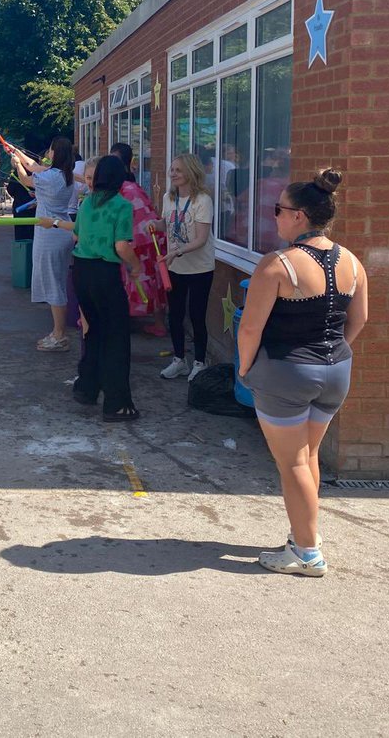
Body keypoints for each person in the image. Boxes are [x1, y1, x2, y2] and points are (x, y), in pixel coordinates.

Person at [238, 169, 367, 577]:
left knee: (292, 462)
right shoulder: (352, 261)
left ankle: (308, 553)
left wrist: (245, 369)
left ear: (298, 216)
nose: (274, 216)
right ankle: (304, 535)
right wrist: (332, 352)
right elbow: (358, 319)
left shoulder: (277, 264)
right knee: (308, 455)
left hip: (287, 372)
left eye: (279, 210)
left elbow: (250, 327)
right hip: (336, 369)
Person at [40, 155, 144, 421]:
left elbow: (77, 236)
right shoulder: (121, 205)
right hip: (104, 273)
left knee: (94, 332)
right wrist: (135, 267)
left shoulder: (86, 204)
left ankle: (87, 388)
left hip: (82, 272)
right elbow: (122, 246)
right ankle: (117, 404)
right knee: (116, 338)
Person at [11, 138, 77, 352]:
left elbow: (26, 178)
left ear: (55, 153)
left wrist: (16, 164)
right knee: (55, 282)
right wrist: (18, 152)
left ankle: (59, 335)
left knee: (53, 285)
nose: (48, 151)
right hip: (58, 233)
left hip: (51, 235)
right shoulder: (62, 174)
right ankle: (58, 332)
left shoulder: (50, 177)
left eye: (50, 149)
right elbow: (33, 166)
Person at [156, 153, 215, 381]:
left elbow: (201, 239)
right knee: (175, 315)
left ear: (191, 172)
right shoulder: (168, 198)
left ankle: (200, 361)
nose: (173, 174)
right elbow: (167, 224)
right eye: (172, 170)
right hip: (175, 266)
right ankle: (179, 360)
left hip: (200, 268)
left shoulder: (203, 200)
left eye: (178, 170)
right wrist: (155, 224)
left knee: (197, 316)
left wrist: (175, 252)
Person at [110, 143, 166, 333]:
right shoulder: (132, 185)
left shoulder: (124, 189)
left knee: (134, 276)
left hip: (139, 239)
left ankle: (125, 320)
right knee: (150, 277)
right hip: (150, 237)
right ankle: (156, 323)